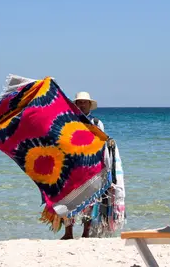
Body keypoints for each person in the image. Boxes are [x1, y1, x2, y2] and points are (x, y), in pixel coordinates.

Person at [61, 91, 104, 240]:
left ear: (89, 105)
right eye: (79, 102)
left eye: (84, 102)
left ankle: (86, 232)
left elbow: (102, 145)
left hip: (91, 167)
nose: (82, 104)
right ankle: (68, 232)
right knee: (66, 200)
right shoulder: (68, 121)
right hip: (71, 166)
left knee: (89, 202)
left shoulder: (97, 123)